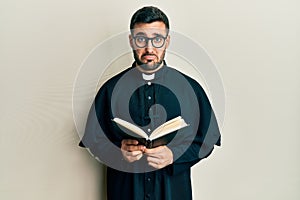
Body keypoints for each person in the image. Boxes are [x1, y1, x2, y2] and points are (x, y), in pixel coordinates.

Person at [79, 6, 221, 200]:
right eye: (141, 39)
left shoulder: (190, 89)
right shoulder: (110, 89)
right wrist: (118, 153)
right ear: (131, 41)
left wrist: (174, 155)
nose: (149, 48)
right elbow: (94, 142)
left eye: (157, 39)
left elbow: (207, 140)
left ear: (167, 41)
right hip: (126, 192)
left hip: (172, 192)